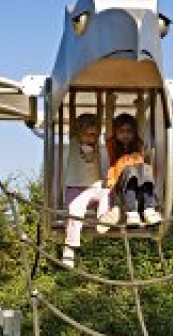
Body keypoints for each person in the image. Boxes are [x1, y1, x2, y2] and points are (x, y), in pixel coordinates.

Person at [62, 113, 112, 267]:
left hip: (93, 190)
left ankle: (103, 218)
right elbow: (73, 122)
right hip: (76, 190)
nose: (91, 138)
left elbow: (100, 113)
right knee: (75, 214)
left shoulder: (96, 146)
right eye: (88, 135)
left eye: (94, 135)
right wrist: (72, 96)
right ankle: (69, 248)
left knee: (108, 193)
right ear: (78, 133)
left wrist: (102, 100)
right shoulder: (74, 143)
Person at [105, 113, 161, 226]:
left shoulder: (138, 145)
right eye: (121, 131)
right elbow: (109, 123)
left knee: (146, 168)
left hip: (140, 192)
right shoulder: (113, 146)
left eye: (129, 131)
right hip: (123, 190)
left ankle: (149, 209)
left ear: (134, 133)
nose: (126, 134)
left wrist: (140, 103)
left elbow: (140, 122)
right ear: (115, 133)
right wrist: (110, 100)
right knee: (130, 170)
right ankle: (132, 212)